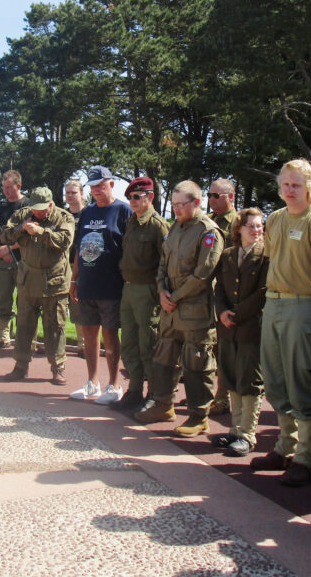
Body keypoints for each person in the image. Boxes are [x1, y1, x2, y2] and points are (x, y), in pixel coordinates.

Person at [250, 159, 311, 487]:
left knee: (302, 383)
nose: (289, 190)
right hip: (274, 306)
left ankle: (305, 459)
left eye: (295, 185)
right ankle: (284, 447)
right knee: (276, 381)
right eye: (285, 184)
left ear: (309, 187)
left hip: (304, 308)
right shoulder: (275, 219)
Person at [134, 180, 224, 438]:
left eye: (180, 205)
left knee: (197, 364)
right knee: (163, 357)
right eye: (173, 205)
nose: (176, 210)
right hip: (171, 311)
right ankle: (163, 404)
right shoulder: (174, 230)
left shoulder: (209, 232)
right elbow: (162, 264)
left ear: (196, 202)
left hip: (195, 311)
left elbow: (203, 275)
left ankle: (199, 416)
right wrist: (162, 291)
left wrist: (174, 296)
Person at [0, 187, 75, 384]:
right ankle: (21, 366)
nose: (38, 213)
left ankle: (58, 367)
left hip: (54, 282)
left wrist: (40, 231)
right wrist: (20, 229)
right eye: (35, 208)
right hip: (28, 280)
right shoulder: (23, 215)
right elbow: (4, 236)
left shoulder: (64, 218)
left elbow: (65, 241)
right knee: (24, 324)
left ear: (51, 204)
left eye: (42, 209)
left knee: (55, 327)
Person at [69, 165, 130, 403]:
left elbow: (129, 249)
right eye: (92, 187)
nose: (96, 190)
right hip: (87, 283)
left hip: (111, 285)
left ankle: (114, 385)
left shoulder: (123, 211)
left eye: (100, 185)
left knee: (111, 334)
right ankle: (92, 382)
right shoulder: (87, 212)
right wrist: (74, 279)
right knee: (89, 332)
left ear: (111, 184)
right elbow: (78, 247)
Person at [211, 207, 268, 456]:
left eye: (259, 225)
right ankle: (235, 429)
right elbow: (220, 288)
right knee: (232, 376)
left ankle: (247, 434)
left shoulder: (267, 256)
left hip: (250, 327)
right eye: (250, 225)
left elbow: (264, 291)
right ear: (239, 229)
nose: (256, 230)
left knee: (250, 380)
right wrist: (222, 311)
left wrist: (237, 314)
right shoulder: (228, 255)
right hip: (227, 328)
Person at [113, 176, 170, 413]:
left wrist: (160, 291)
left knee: (149, 344)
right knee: (129, 343)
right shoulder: (132, 222)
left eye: (137, 197)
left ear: (151, 197)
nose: (133, 201)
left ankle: (154, 395)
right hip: (128, 289)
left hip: (148, 290)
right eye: (130, 198)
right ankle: (134, 390)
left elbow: (166, 263)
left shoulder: (158, 225)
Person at [0, 170, 30, 350]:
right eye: (4, 188)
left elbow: (30, 234)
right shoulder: (0, 206)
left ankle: (25, 339)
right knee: (2, 298)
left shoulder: (28, 205)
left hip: (23, 260)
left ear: (18, 186)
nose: (6, 191)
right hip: (1, 261)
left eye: (9, 188)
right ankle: (3, 336)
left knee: (25, 301)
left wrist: (10, 248)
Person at [208, 178, 240, 416]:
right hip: (208, 291)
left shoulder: (239, 223)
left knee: (226, 348)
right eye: (209, 195)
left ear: (230, 197)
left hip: (229, 292)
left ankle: (223, 397)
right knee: (208, 345)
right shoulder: (209, 221)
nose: (211, 199)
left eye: (216, 196)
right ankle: (210, 393)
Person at [64, 180, 88, 354]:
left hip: (84, 266)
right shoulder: (62, 215)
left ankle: (84, 345)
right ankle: (57, 345)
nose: (70, 196)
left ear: (81, 194)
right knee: (59, 306)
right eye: (67, 193)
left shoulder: (90, 214)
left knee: (80, 305)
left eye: (73, 192)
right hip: (63, 265)